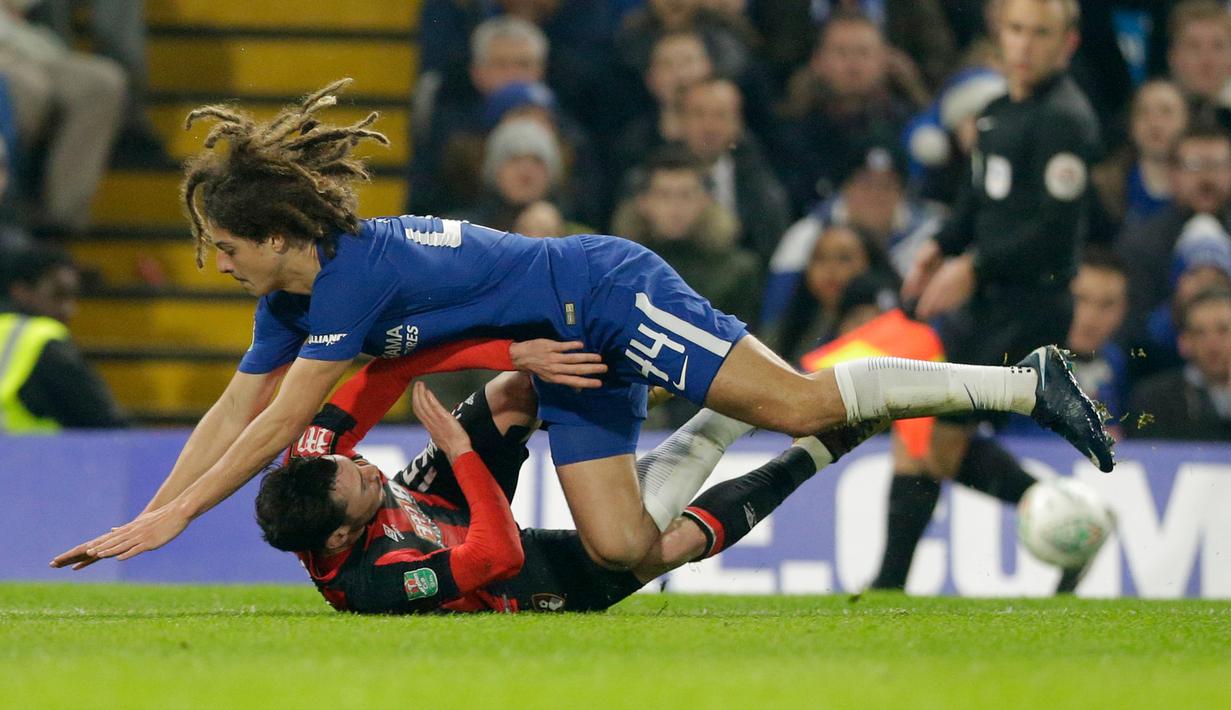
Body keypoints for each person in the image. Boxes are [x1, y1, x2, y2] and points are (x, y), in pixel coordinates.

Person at [50, 78, 1113, 577]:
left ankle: (1027, 381)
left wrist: (176, 520)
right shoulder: (295, 294)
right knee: (619, 550)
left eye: (223, 247)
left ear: (273, 231)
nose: (217, 265)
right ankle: (708, 429)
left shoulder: (345, 282)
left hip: (603, 292)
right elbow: (236, 405)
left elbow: (282, 420)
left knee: (794, 400)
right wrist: (152, 508)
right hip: (560, 344)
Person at [258, 372, 877, 614]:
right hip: (514, 581)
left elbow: (375, 375)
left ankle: (649, 383)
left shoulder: (313, 471)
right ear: (341, 536)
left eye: (355, 462)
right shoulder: (373, 585)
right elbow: (500, 556)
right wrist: (460, 451)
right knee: (656, 548)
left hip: (449, 505)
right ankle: (821, 447)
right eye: (360, 482)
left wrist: (496, 349)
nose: (369, 468)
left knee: (509, 392)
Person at [886, 0, 1101, 591]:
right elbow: (979, 201)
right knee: (920, 434)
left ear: (1068, 44)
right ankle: (886, 583)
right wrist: (940, 247)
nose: (1026, 45)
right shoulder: (998, 113)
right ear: (998, 35)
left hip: (1027, 307)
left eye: (1041, 33)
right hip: (985, 302)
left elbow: (1051, 232)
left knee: (942, 443)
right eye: (1016, 30)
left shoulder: (1065, 120)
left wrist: (973, 267)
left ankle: (1075, 527)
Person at [0, 247, 127, 431]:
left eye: (72, 297)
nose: (70, 309)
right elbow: (107, 422)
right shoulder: (43, 340)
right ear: (21, 291)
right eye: (58, 295)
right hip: (28, 458)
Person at [1128, 288, 1231, 441]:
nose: (1212, 344)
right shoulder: (1154, 400)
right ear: (1184, 343)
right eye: (1199, 333)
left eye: (1223, 331)